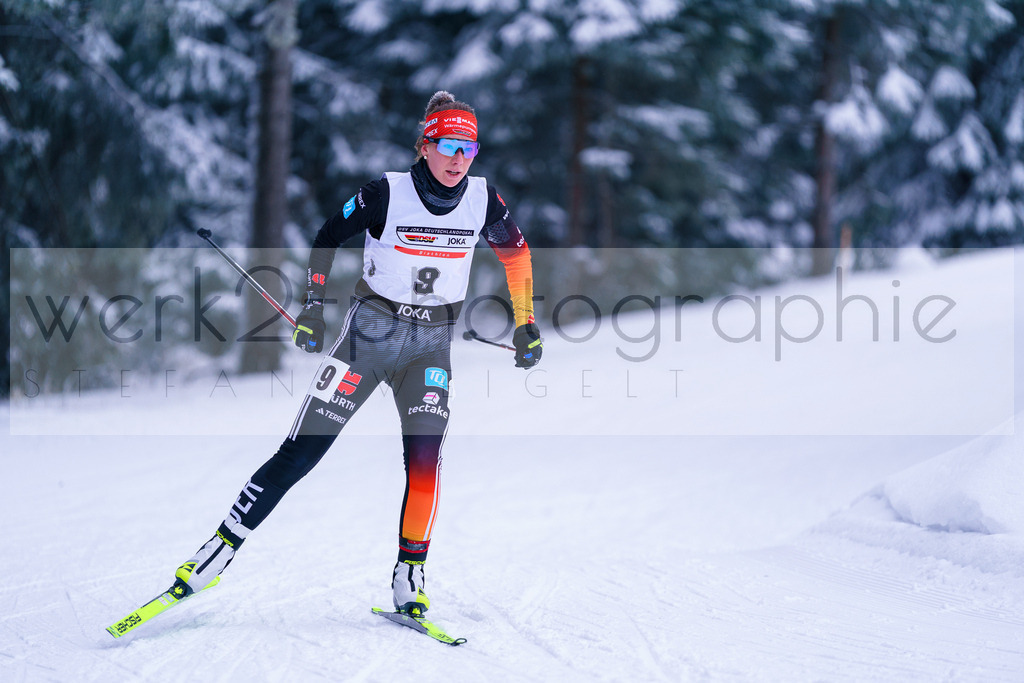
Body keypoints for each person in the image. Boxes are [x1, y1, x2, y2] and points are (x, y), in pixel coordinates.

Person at [172, 91, 542, 617]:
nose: (459, 158)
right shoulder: (386, 193)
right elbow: (327, 236)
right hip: (368, 337)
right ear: (425, 145)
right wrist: (313, 307)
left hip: (430, 346)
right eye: (448, 145)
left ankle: (410, 575)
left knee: (425, 463)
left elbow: (517, 255)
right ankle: (218, 549)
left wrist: (526, 322)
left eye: (469, 148)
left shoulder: (484, 200)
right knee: (302, 452)